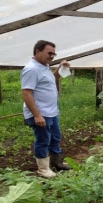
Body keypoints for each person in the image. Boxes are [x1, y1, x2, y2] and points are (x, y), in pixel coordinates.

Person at [22, 40, 72, 178]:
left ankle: (57, 163)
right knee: (43, 139)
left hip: (51, 111)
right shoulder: (31, 69)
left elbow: (53, 78)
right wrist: (37, 115)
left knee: (55, 136)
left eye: (54, 54)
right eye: (49, 53)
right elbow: (26, 93)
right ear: (38, 51)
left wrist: (60, 67)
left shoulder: (44, 67)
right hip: (40, 112)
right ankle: (43, 170)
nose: (52, 56)